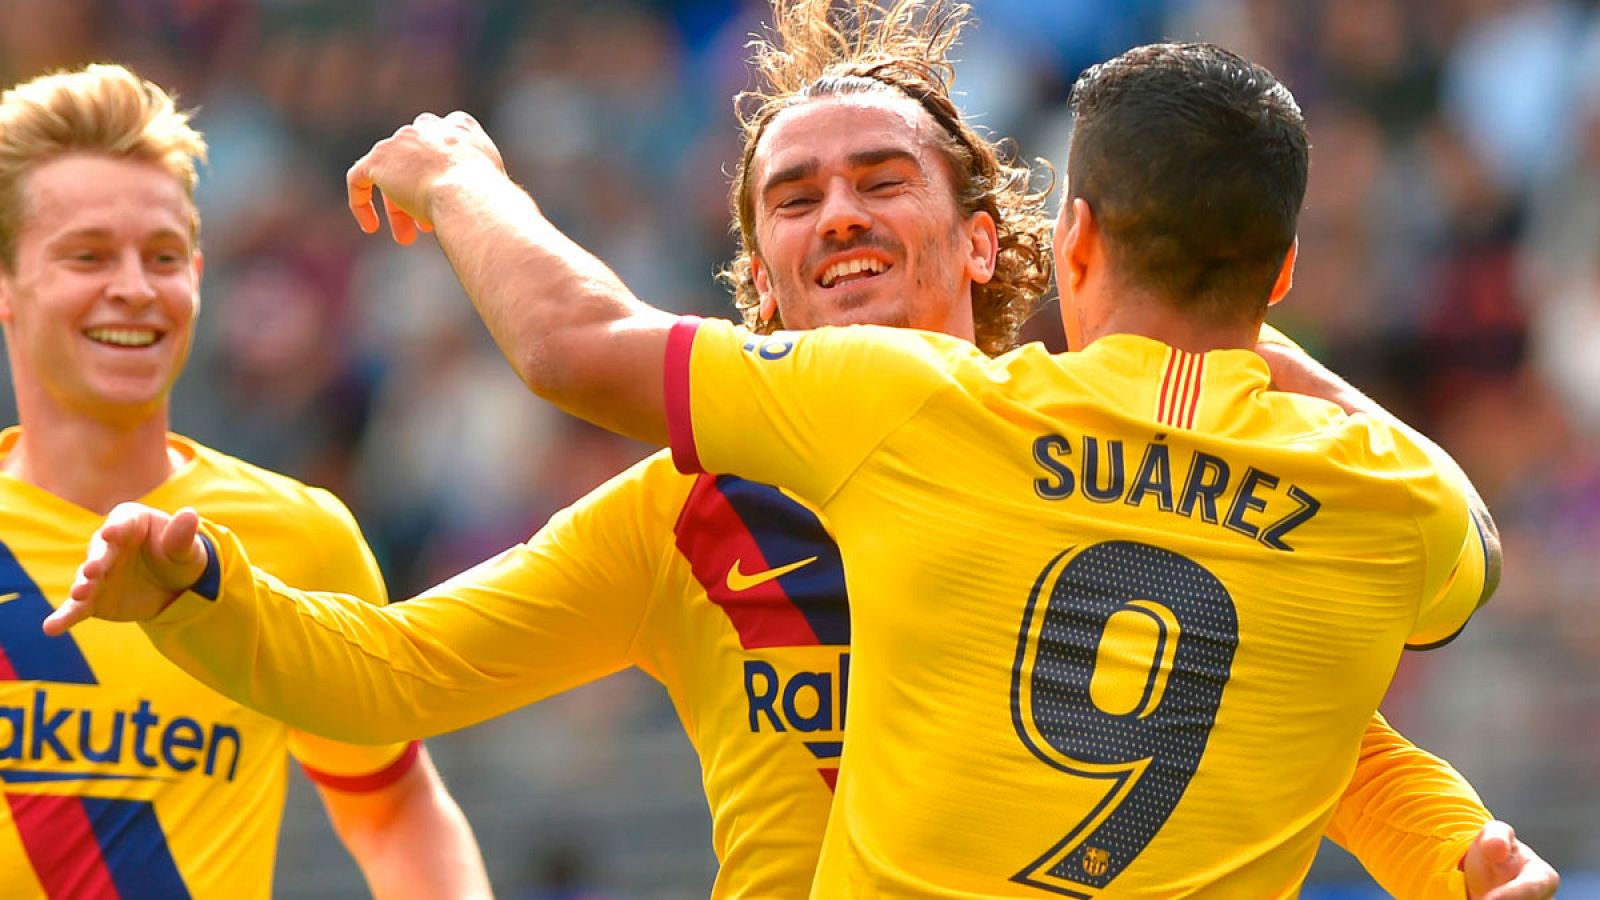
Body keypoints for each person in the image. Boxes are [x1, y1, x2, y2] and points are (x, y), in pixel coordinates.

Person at [49, 4, 1556, 898]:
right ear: (760, 296)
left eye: (880, 179)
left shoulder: (1022, 446)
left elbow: (1300, 720)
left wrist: (1448, 847)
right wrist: (203, 592)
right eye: (791, 196)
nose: (835, 212)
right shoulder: (679, 522)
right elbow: (383, 680)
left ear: (995, 242)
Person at [0, 64, 492, 899]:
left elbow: (392, 804)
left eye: (162, 256)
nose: (133, 286)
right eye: (87, 254)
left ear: (195, 277)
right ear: (7, 287)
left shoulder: (300, 539)